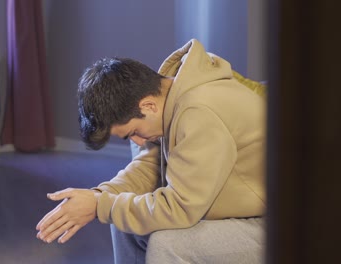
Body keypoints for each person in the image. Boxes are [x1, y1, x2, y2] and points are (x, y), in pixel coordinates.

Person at [36, 39, 266, 263]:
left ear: (147, 105)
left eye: (133, 132)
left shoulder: (199, 111)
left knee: (167, 244)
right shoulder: (172, 97)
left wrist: (100, 206)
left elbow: (180, 208)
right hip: (243, 214)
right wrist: (100, 196)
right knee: (125, 221)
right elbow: (150, 167)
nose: (137, 141)